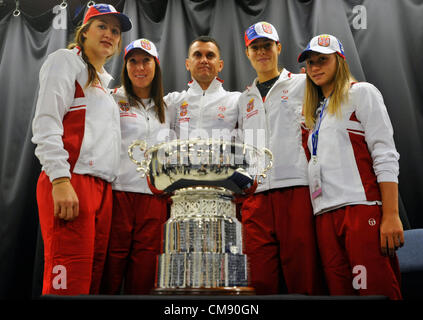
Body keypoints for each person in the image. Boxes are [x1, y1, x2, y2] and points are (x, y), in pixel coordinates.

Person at [31, 4, 131, 295]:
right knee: (68, 280)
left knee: (90, 280)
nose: (110, 35)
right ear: (84, 31)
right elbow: (47, 123)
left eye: (115, 31)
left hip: (102, 189)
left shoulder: (103, 84)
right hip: (72, 180)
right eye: (102, 27)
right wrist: (60, 180)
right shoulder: (65, 61)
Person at [298, 34, 404, 299]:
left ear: (340, 60)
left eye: (323, 60)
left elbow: (385, 153)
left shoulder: (361, 93)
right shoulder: (314, 114)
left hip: (360, 210)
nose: (315, 67)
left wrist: (390, 214)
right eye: (310, 62)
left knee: (374, 291)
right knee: (340, 293)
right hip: (324, 215)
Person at [237, 21, 327, 295]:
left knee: (303, 276)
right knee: (259, 281)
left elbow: (343, 90)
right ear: (248, 53)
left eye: (267, 45)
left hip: (295, 190)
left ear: (278, 47)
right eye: (256, 47)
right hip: (257, 197)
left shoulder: (303, 82)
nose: (262, 52)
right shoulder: (244, 99)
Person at [100, 39, 172, 294]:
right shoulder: (110, 99)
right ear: (125, 66)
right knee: (109, 271)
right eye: (133, 61)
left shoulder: (167, 106)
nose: (140, 67)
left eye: (146, 61)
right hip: (118, 196)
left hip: (155, 199)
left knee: (144, 278)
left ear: (156, 65)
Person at [166, 36, 241, 141]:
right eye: (198, 55)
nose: (204, 60)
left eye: (210, 56)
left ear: (220, 65)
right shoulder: (173, 100)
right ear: (187, 64)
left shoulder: (236, 100)